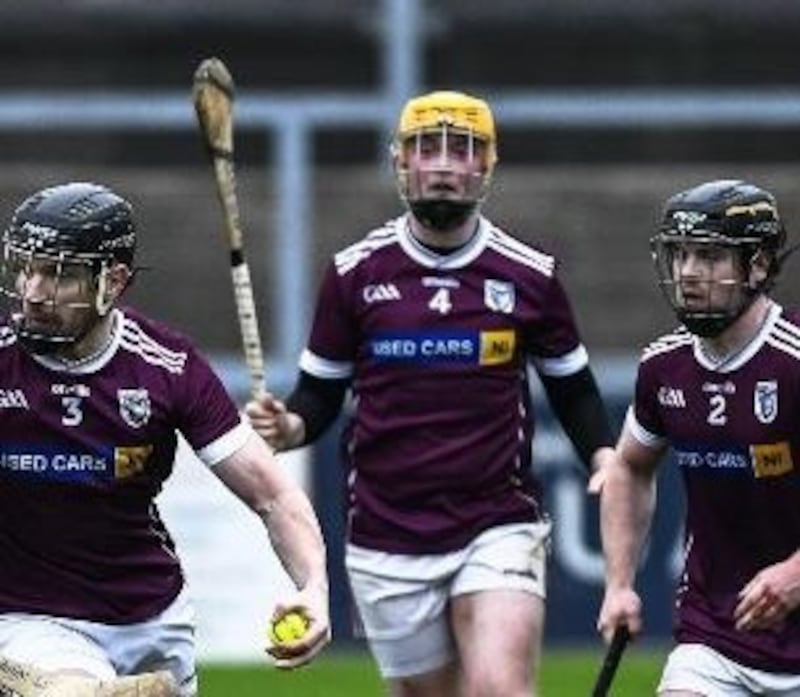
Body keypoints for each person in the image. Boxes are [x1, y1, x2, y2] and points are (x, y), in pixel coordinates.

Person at [246, 90, 615, 697]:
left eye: (462, 149)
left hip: (497, 521)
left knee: (499, 688)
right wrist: (287, 428)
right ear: (400, 162)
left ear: (486, 167)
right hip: (387, 535)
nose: (443, 163)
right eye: (426, 148)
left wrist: (604, 459)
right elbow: (318, 397)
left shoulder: (529, 275)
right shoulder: (354, 275)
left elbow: (572, 388)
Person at [0, 182, 331, 697]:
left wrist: (313, 589)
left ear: (113, 280)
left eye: (59, 274)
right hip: (27, 617)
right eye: (27, 267)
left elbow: (274, 495)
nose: (34, 292)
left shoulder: (166, 366)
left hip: (149, 619)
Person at [597, 179, 800, 696]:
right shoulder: (664, 367)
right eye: (680, 254)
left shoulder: (793, 361)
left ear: (757, 265)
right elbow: (629, 467)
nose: (687, 273)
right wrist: (619, 585)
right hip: (715, 636)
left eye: (708, 257)